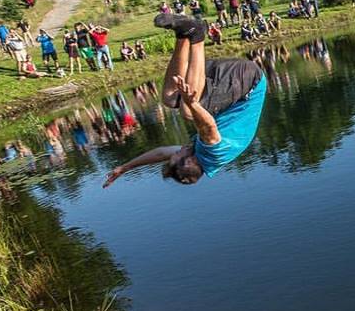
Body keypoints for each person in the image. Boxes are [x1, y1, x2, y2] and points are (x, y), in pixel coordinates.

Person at [103, 13, 267, 187]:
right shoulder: (213, 153)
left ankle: (183, 34)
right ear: (189, 163)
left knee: (170, 99)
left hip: (233, 80)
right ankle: (197, 36)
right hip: (248, 82)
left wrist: (125, 167)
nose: (179, 149)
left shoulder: (196, 155)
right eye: (178, 154)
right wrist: (192, 103)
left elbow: (161, 153)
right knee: (188, 111)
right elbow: (209, 125)